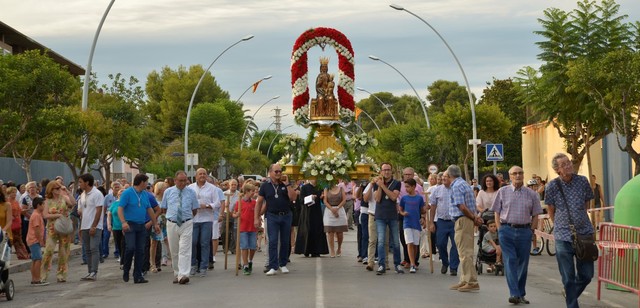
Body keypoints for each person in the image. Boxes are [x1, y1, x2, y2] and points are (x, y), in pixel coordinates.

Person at [545, 153, 595, 308]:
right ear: (557, 170)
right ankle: (572, 305)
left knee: (587, 275)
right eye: (564, 164)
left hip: (584, 233)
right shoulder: (552, 186)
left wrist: (578, 218)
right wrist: (561, 225)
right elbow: (551, 210)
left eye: (569, 162)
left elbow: (587, 203)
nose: (568, 165)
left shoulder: (582, 181)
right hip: (563, 235)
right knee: (568, 277)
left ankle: (570, 292)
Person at [491, 166, 543, 304]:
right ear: (510, 176)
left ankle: (521, 293)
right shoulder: (502, 191)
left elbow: (536, 214)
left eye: (520, 173)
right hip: (506, 230)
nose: (518, 176)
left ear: (523, 175)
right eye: (515, 174)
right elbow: (496, 212)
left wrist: (531, 231)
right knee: (510, 261)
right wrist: (499, 229)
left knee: (523, 263)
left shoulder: (532, 194)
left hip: (525, 231)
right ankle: (514, 293)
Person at [254, 164, 297, 276]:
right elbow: (259, 202)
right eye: (276, 171)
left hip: (286, 215)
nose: (278, 173)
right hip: (272, 215)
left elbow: (293, 198)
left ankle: (283, 264)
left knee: (284, 240)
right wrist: (256, 217)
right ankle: (273, 266)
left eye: (280, 171)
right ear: (270, 172)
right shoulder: (265, 186)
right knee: (272, 241)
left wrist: (287, 184)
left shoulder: (285, 184)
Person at [118, 174, 161, 284]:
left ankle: (138, 275)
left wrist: (155, 224)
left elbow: (150, 209)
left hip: (141, 225)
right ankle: (126, 269)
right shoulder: (127, 193)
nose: (147, 184)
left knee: (141, 250)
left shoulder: (145, 194)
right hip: (130, 225)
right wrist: (123, 222)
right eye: (146, 182)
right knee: (130, 247)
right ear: (141, 182)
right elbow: (120, 208)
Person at [448, 165, 484, 292]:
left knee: (465, 253)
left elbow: (462, 206)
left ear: (449, 175)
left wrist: (474, 218)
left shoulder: (456, 186)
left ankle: (471, 281)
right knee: (462, 252)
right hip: (465, 219)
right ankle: (464, 279)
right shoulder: (463, 184)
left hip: (462, 220)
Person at [162, 171, 199, 285]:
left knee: (184, 249)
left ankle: (183, 275)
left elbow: (195, 209)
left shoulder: (191, 192)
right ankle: (177, 273)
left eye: (185, 180)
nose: (183, 183)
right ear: (175, 180)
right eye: (180, 180)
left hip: (186, 222)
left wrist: (187, 218)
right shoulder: (168, 192)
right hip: (172, 222)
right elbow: (164, 208)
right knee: (174, 250)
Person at [41, 181, 75, 283]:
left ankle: (61, 274)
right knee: (49, 251)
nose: (59, 190)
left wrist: (67, 192)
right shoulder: (47, 201)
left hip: (64, 228)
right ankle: (43, 274)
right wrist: (58, 215)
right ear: (51, 190)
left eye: (59, 188)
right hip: (52, 228)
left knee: (64, 252)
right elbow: (45, 215)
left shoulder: (64, 198)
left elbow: (73, 203)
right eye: (56, 188)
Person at [374, 162, 403, 275]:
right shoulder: (377, 183)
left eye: (388, 169)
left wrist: (382, 186)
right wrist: (379, 185)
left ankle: (397, 264)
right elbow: (377, 199)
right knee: (381, 241)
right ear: (381, 171)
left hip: (392, 215)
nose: (386, 172)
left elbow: (393, 197)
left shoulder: (397, 183)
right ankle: (381, 265)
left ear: (391, 171)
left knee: (396, 241)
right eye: (384, 170)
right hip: (380, 215)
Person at [188, 168, 217, 277]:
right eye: (200, 174)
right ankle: (193, 265)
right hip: (194, 219)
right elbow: (187, 201)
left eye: (204, 174)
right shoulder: (190, 188)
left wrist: (208, 205)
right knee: (193, 242)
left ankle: (203, 266)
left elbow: (217, 203)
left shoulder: (212, 188)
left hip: (206, 219)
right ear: (196, 176)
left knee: (204, 243)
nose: (202, 176)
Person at [429, 171, 459, 275]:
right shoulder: (437, 190)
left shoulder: (456, 189)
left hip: (454, 221)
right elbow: (433, 207)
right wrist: (431, 222)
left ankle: (454, 267)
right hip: (441, 221)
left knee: (456, 244)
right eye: (443, 177)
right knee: (440, 243)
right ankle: (445, 263)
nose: (444, 179)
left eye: (447, 177)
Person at [77, 174, 105, 281]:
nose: (79, 184)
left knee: (94, 248)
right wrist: (81, 227)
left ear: (87, 182)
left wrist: (94, 226)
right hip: (85, 225)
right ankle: (89, 271)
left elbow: (98, 210)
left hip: (95, 226)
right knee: (87, 249)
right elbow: (83, 211)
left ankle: (94, 271)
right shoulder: (83, 194)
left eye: (80, 182)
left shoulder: (97, 194)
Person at [294, 180, 329, 257]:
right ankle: (306, 250)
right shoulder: (304, 187)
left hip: (316, 212)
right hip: (306, 212)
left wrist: (322, 197)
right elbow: (301, 200)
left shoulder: (319, 188)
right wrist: (311, 197)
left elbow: (323, 200)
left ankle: (316, 250)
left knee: (317, 229)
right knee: (307, 229)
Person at [398, 167, 424, 268]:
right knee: (404, 238)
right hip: (403, 215)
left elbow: (422, 203)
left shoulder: (418, 187)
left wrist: (423, 216)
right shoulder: (400, 186)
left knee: (415, 240)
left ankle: (414, 261)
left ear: (413, 176)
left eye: (410, 174)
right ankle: (407, 259)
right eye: (406, 175)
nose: (407, 176)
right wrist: (401, 211)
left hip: (415, 216)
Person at [232, 182, 257, 275]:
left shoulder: (254, 202)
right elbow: (233, 213)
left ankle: (250, 260)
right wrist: (236, 215)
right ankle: (245, 265)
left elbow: (257, 213)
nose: (254, 193)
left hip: (252, 228)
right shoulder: (239, 202)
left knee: (253, 247)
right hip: (243, 228)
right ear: (246, 191)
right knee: (244, 247)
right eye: (252, 191)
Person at [26, 197, 48, 286]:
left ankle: (34, 279)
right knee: (38, 259)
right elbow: (37, 229)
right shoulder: (36, 215)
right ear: (39, 205)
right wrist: (41, 240)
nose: (44, 206)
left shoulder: (37, 214)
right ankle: (37, 279)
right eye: (43, 204)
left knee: (35, 259)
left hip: (32, 240)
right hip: (34, 240)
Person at [323, 183, 348, 258]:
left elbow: (344, 200)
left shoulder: (341, 189)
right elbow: (325, 201)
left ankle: (339, 248)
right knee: (330, 231)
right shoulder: (326, 189)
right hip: (329, 210)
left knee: (339, 232)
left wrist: (337, 208)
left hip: (339, 210)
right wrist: (331, 209)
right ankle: (332, 250)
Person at [6, 187, 29, 259]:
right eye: (12, 193)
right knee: (11, 241)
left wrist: (24, 210)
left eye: (15, 192)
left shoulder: (16, 202)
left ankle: (23, 255)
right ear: (8, 194)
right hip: (10, 224)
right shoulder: (7, 202)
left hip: (17, 223)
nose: (14, 194)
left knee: (18, 240)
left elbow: (19, 211)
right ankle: (8, 256)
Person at [102, 181, 122, 261]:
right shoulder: (107, 197)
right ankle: (105, 252)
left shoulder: (121, 197)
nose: (117, 189)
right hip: (108, 216)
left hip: (117, 217)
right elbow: (104, 207)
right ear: (112, 188)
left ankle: (117, 252)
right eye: (115, 187)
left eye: (118, 187)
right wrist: (103, 218)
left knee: (117, 235)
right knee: (106, 235)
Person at [107, 188, 125, 269]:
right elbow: (109, 215)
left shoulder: (126, 203)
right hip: (116, 227)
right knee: (118, 244)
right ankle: (121, 257)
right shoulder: (114, 204)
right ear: (117, 195)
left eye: (123, 193)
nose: (121, 194)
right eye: (120, 193)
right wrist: (109, 225)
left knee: (124, 244)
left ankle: (124, 261)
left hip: (125, 227)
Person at [21, 181, 41, 254]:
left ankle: (38, 249)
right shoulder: (25, 198)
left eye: (33, 187)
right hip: (28, 220)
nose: (32, 189)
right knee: (29, 235)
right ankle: (30, 251)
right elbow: (23, 211)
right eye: (30, 187)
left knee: (38, 234)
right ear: (28, 189)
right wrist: (31, 218)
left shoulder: (40, 197)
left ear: (36, 188)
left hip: (39, 220)